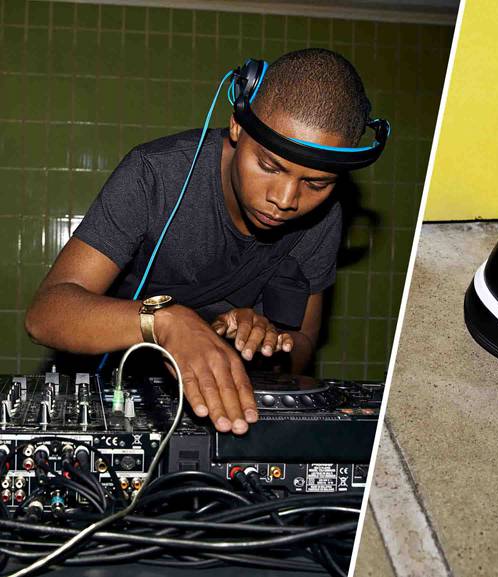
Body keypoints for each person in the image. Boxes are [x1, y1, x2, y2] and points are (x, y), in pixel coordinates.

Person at [24, 49, 377, 435]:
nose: (286, 199)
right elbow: (46, 315)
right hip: (116, 395)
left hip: (229, 408)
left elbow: (304, 342)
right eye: (269, 166)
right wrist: (165, 322)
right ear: (238, 127)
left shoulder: (324, 218)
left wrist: (269, 344)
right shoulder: (154, 175)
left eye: (316, 183)